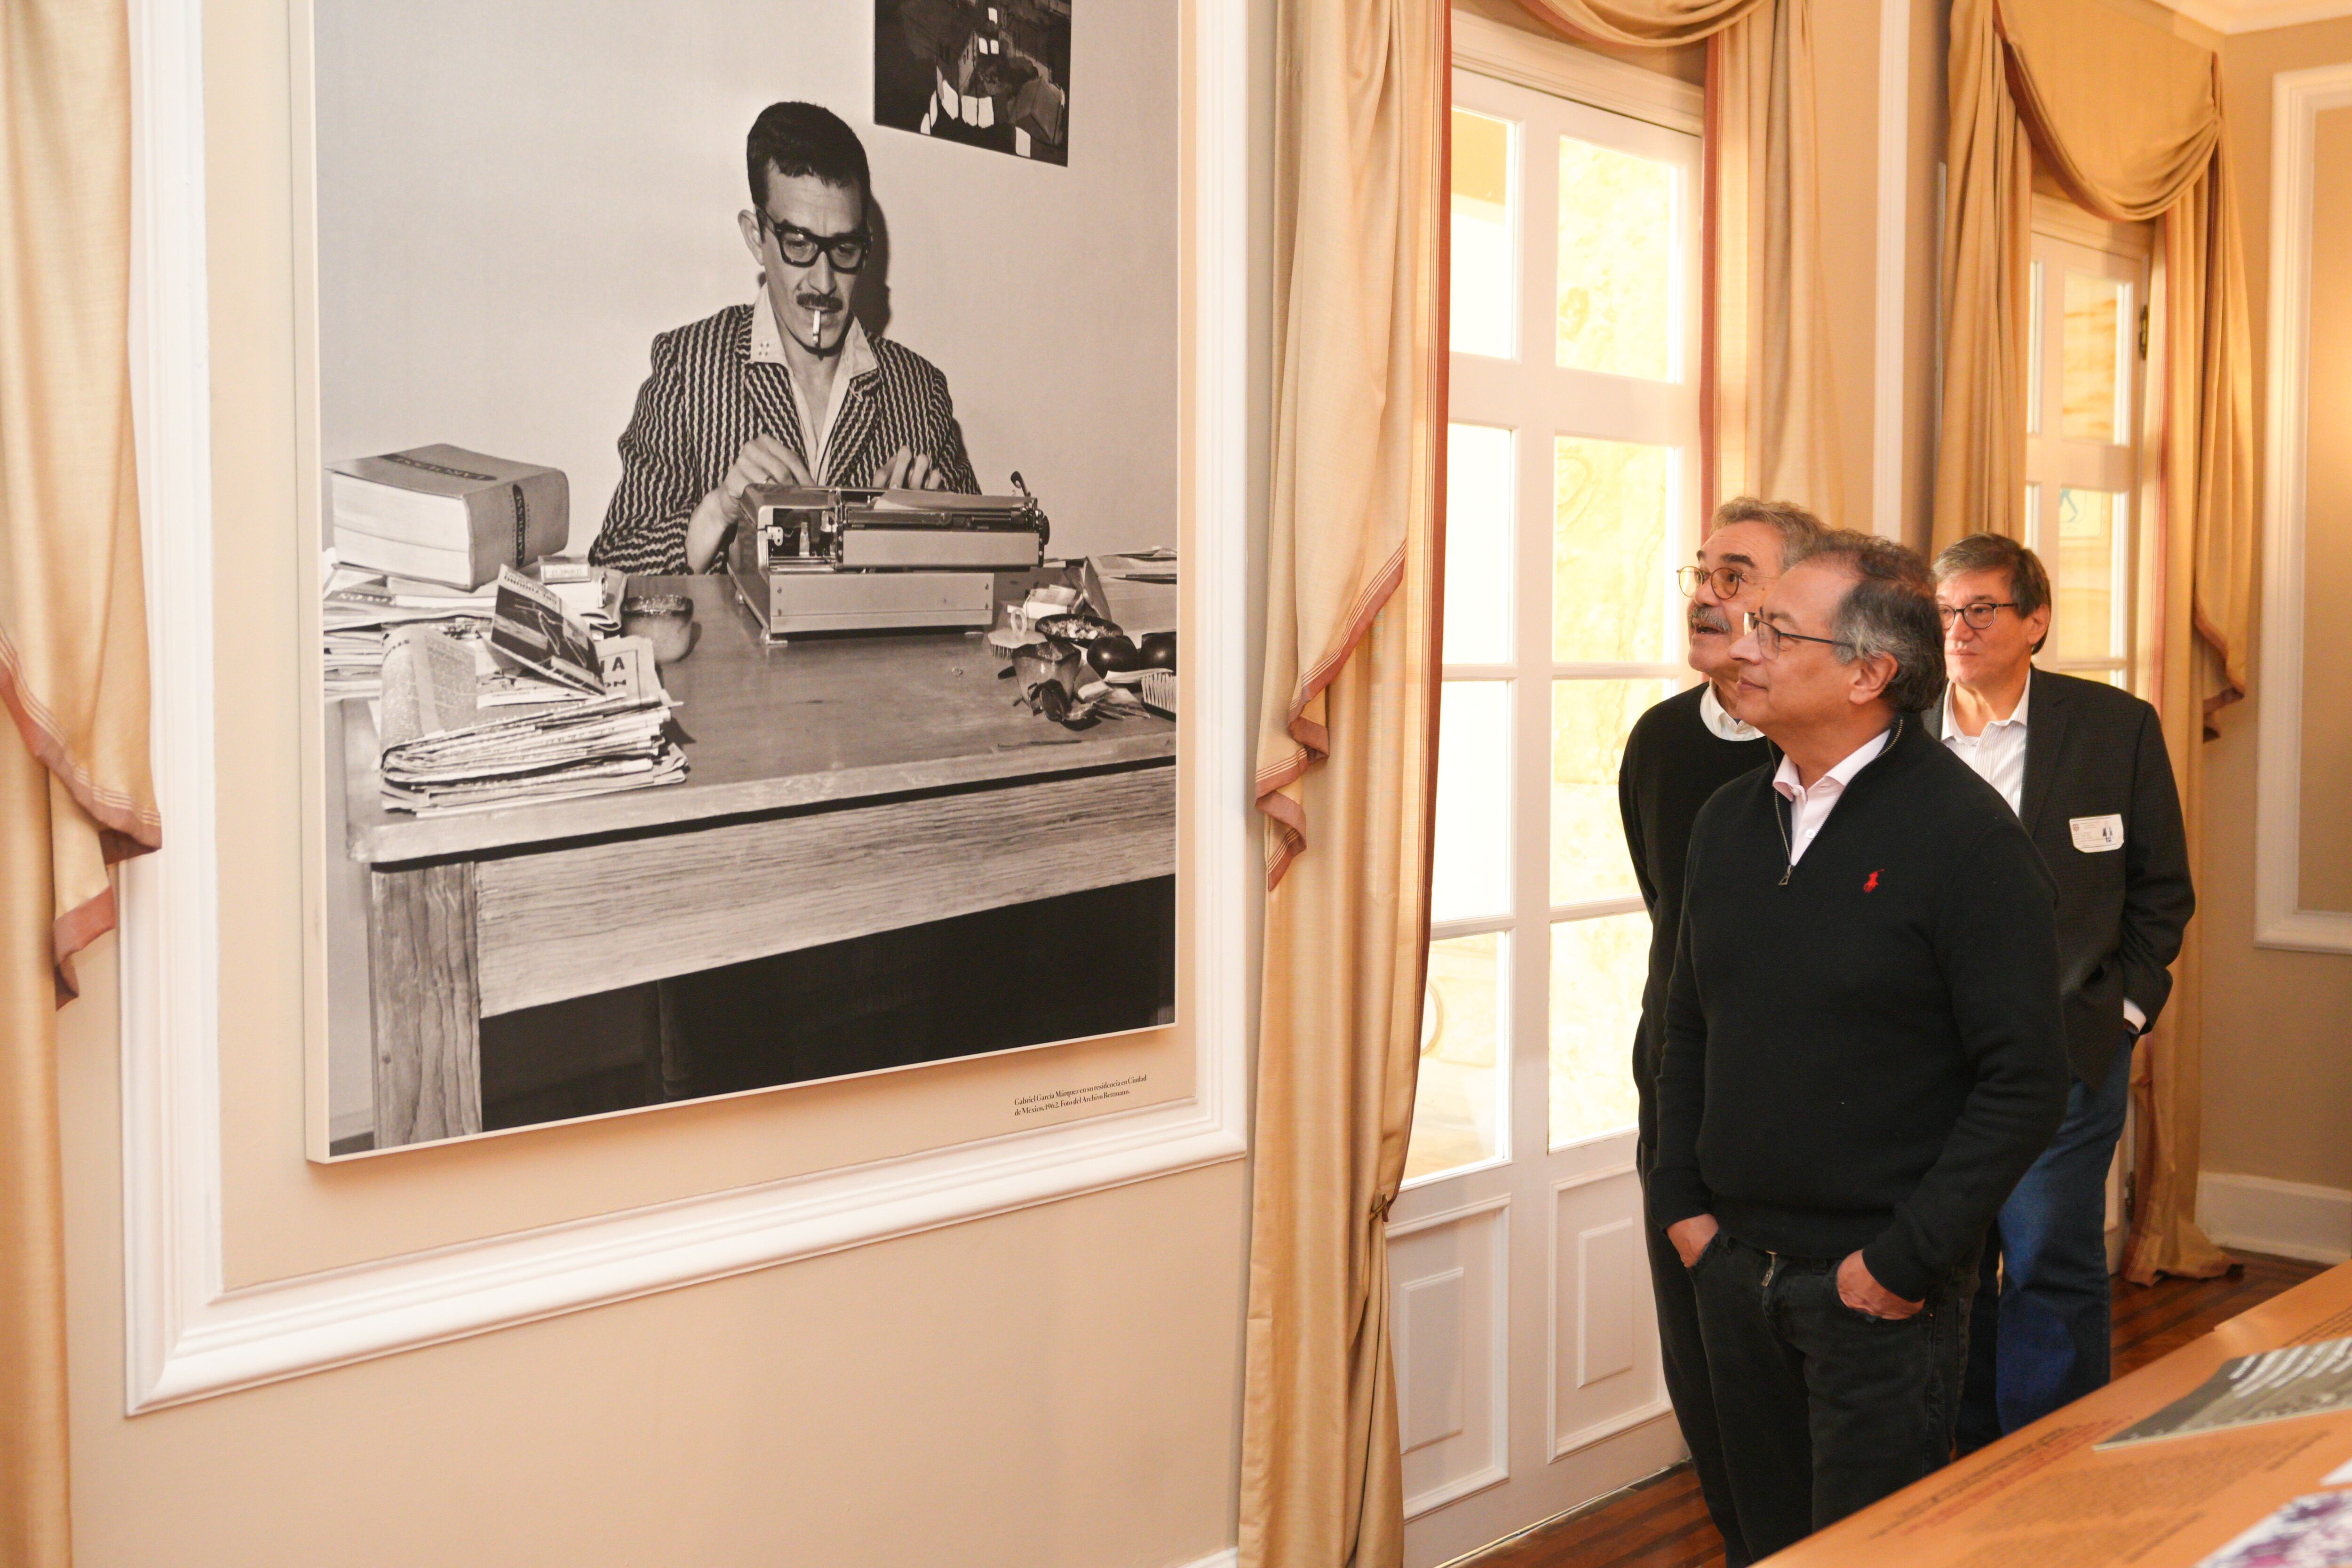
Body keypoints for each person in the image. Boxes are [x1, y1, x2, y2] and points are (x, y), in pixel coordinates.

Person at [1648, 531, 2070, 1559]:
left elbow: (2025, 1079)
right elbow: (1687, 1022)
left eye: (1775, 629)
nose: (1740, 647)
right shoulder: (1725, 820)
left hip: (1876, 1291)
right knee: (1761, 1541)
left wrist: (1902, 1261)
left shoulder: (1966, 839)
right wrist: (1683, 1207)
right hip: (1730, 1267)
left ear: (1869, 673)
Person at [1933, 533, 2195, 1452]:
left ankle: (2052, 1471)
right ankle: (1960, 1473)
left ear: (2035, 620)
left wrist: (2120, 1014)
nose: (1957, 629)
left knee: (2047, 1257)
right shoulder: (1895, 735)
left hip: (2067, 1047)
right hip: (1927, 1061)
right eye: (1944, 611)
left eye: (1980, 609)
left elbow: (2162, 891)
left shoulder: (2112, 727)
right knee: (1945, 1265)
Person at [1616, 496, 1824, 1568]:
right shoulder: (1655, 740)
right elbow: (1671, 916)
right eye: (1702, 568)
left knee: (1816, 1402)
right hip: (1681, 1109)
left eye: (1736, 573)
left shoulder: (1843, 750)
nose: (1707, 589)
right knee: (1707, 1377)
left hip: (1816, 1127)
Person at [591, 101, 977, 576]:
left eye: (843, 248)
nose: (823, 282)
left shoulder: (919, 392)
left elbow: (993, 574)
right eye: (798, 244)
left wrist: (943, 536)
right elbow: (611, 564)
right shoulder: (687, 367)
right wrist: (717, 512)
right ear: (756, 237)